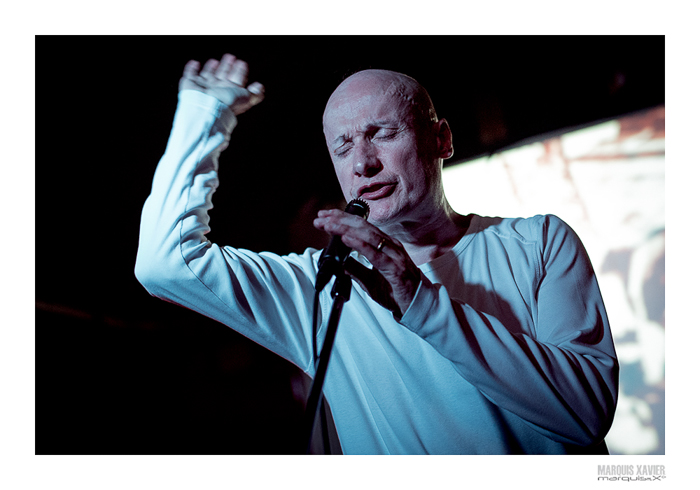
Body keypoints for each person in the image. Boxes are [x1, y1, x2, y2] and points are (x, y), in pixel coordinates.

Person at [135, 53, 618, 454]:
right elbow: (165, 262)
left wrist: (418, 299)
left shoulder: (540, 242)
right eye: (343, 147)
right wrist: (203, 114)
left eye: (382, 133)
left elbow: (586, 414)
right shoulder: (321, 287)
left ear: (441, 139)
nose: (363, 162)